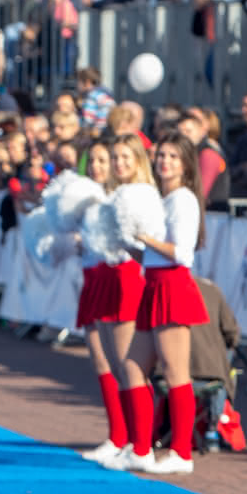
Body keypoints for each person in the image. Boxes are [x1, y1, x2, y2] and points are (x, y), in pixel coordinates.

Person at [116, 135, 210, 475]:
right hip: (153, 283)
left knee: (175, 372)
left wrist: (144, 237)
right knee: (132, 366)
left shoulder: (183, 199)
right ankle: (140, 447)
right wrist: (127, 242)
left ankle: (181, 452)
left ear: (185, 164)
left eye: (173, 156)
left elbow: (181, 252)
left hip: (172, 285)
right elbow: (154, 252)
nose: (164, 161)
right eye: (161, 155)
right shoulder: (162, 198)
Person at [75, 140, 145, 464]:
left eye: (107, 160)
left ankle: (135, 438)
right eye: (96, 161)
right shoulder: (88, 200)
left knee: (123, 363)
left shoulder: (122, 198)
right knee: (101, 363)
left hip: (119, 277)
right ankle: (118, 435)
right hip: (94, 278)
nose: (100, 167)